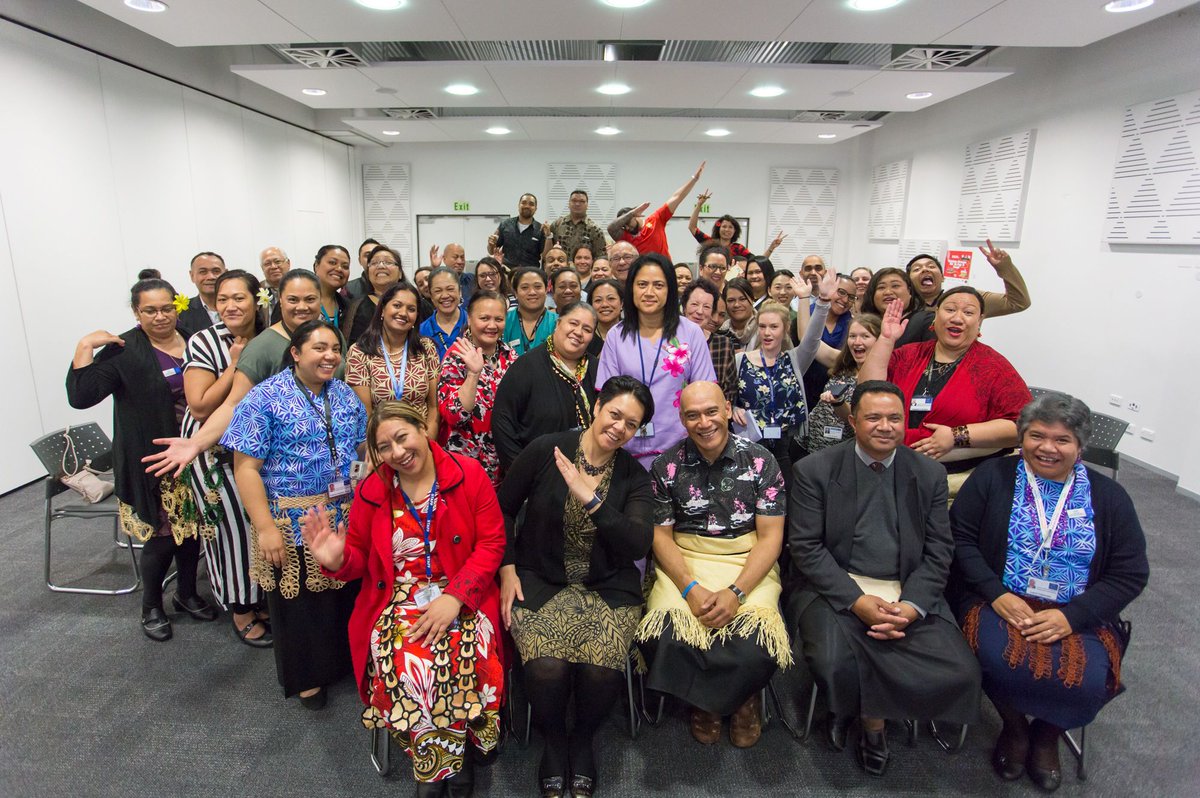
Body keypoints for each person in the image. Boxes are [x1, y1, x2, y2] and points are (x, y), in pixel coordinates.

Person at [303, 401, 505, 797]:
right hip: (397, 598)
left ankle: (456, 758)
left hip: (462, 590)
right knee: (409, 664)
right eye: (384, 447)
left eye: (402, 437)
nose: (397, 452)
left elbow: (492, 543)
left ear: (423, 429)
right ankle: (435, 769)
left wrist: (455, 597)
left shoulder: (468, 473)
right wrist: (337, 559)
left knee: (467, 653)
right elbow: (359, 559)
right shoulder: (373, 489)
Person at [951, 393, 1149, 792]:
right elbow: (959, 540)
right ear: (1022, 437)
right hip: (998, 599)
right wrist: (996, 593)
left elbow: (1130, 573)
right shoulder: (992, 477)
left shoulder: (1109, 498)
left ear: (1080, 446)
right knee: (997, 658)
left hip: (1077, 609)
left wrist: (1071, 617)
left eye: (1062, 440)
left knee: (1088, 678)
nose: (1047, 448)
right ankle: (1015, 729)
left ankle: (1046, 734)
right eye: (1037, 436)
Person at [787, 380, 982, 776]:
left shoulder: (928, 473)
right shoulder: (815, 470)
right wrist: (857, 601)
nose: (885, 426)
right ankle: (871, 726)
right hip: (836, 584)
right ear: (853, 422)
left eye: (894, 418)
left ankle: (861, 711)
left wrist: (911, 606)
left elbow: (939, 550)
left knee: (962, 670)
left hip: (906, 586)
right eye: (873, 417)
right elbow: (806, 548)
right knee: (833, 660)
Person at [498, 377, 655, 798]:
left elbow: (637, 543)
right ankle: (554, 741)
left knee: (600, 670)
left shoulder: (634, 476)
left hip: (608, 585)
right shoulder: (546, 450)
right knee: (546, 668)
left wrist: (591, 499)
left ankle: (583, 738)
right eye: (615, 414)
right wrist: (507, 568)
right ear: (597, 406)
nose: (620, 428)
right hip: (539, 577)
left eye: (632, 424)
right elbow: (502, 509)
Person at [638, 381, 790, 748]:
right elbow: (660, 537)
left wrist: (737, 592)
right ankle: (704, 702)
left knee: (756, 641)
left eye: (711, 412)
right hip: (685, 561)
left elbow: (771, 538)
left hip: (747, 560)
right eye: (693, 415)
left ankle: (744, 700)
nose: (704, 423)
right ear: (682, 419)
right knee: (663, 635)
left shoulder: (761, 461)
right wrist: (689, 588)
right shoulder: (665, 465)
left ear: (726, 410)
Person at [223, 320, 366, 708]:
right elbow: (245, 469)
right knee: (301, 607)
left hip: (344, 512)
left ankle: (344, 665)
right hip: (290, 520)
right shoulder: (264, 398)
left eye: (335, 349)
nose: (330, 356)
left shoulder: (344, 394)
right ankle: (308, 680)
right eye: (319, 348)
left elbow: (360, 448)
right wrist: (265, 527)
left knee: (344, 599)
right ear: (296, 353)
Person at [68, 275, 215, 642]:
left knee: (191, 532)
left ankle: (186, 594)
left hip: (197, 455)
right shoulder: (124, 349)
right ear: (137, 312)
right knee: (163, 537)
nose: (159, 316)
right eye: (149, 310)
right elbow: (82, 396)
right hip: (155, 462)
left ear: (177, 307)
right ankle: (151, 605)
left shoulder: (194, 339)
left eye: (166, 308)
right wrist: (85, 345)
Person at [140, 269, 349, 483]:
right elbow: (235, 403)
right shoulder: (262, 347)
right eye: (293, 300)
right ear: (281, 301)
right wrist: (196, 442)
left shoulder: (332, 337)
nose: (302, 307)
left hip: (329, 456)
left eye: (310, 299)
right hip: (287, 466)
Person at [860, 288, 1032, 501]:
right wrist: (886, 339)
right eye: (950, 309)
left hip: (957, 484)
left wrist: (956, 435)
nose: (957, 318)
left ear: (979, 321)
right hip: (892, 472)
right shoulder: (908, 354)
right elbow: (867, 393)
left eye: (968, 313)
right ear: (936, 315)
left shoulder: (993, 367)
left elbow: (1022, 426)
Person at [181, 269, 271, 647]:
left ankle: (260, 598)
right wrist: (237, 365)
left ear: (258, 300)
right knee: (233, 531)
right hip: (212, 449)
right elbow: (200, 406)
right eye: (223, 299)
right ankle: (241, 609)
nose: (230, 306)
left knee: (260, 526)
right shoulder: (205, 341)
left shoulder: (270, 335)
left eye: (239, 298)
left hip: (260, 447)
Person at [596, 253, 717, 470]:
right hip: (625, 447)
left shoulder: (691, 333)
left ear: (670, 290)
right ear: (631, 289)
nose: (649, 292)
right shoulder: (616, 335)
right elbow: (607, 396)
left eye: (658, 285)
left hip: (680, 449)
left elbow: (705, 392)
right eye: (642, 284)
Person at [732, 270, 838, 487]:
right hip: (749, 448)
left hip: (783, 447)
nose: (767, 333)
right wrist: (733, 408)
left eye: (774, 327)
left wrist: (823, 302)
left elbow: (812, 339)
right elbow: (726, 397)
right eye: (762, 326)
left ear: (785, 328)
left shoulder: (794, 360)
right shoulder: (740, 360)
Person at [493, 301, 598, 472]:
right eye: (573, 323)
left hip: (586, 472)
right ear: (558, 323)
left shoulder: (597, 369)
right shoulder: (526, 366)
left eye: (587, 329)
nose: (578, 332)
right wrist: (520, 472)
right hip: (536, 472)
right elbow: (502, 422)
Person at [438, 291, 517, 485]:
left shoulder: (511, 356)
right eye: (484, 318)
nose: (492, 325)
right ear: (469, 318)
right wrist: (473, 374)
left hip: (503, 462)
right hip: (466, 464)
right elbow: (454, 416)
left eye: (499, 319)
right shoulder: (456, 356)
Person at [346, 282, 440, 433]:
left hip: (422, 435)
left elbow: (434, 408)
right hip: (382, 438)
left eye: (411, 309)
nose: (403, 313)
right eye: (397, 305)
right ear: (383, 309)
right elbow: (365, 415)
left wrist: (427, 442)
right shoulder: (360, 352)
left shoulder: (426, 348)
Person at [803, 314, 881, 456]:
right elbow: (810, 340)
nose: (857, 342)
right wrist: (814, 303)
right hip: (807, 444)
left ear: (879, 341)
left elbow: (858, 418)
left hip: (841, 452)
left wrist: (838, 403)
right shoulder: (843, 363)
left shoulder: (882, 377)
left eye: (865, 336)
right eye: (852, 336)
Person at [608, 161, 707, 262]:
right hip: (642, 271)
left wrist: (694, 179)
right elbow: (611, 228)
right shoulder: (625, 236)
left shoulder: (656, 220)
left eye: (628, 223)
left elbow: (676, 197)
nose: (628, 228)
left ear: (636, 216)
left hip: (664, 269)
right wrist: (631, 213)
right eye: (624, 226)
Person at [907, 240, 1031, 318]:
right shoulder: (902, 306)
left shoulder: (971, 299)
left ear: (943, 277)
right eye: (917, 269)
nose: (925, 270)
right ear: (908, 281)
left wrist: (1005, 269)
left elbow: (1019, 303)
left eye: (931, 266)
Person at [800, 272, 858, 411]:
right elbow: (806, 341)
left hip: (836, 395)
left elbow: (847, 361)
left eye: (851, 297)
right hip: (805, 387)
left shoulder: (853, 325)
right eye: (841, 292)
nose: (845, 300)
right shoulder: (806, 315)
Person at [682, 279, 736, 404]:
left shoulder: (724, 345)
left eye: (706, 307)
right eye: (694, 304)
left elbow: (729, 392)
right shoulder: (669, 342)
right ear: (684, 307)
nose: (700, 311)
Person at [860, 267, 936, 347]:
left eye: (895, 286)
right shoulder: (863, 325)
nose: (888, 292)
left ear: (909, 291)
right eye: (881, 287)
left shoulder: (927, 320)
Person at [342, 244, 401, 344]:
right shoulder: (354, 307)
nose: (381, 266)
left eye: (388, 262)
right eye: (374, 263)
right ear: (368, 273)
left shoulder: (415, 303)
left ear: (400, 273)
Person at [547, 189, 609, 266]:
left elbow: (601, 257)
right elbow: (548, 253)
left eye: (582, 201)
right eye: (574, 201)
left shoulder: (595, 229)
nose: (577, 204)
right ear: (569, 204)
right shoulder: (557, 225)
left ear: (587, 205)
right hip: (561, 270)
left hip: (584, 270)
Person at [504, 267, 557, 356]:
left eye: (538, 287)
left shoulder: (558, 322)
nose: (532, 292)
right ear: (515, 292)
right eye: (525, 287)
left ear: (546, 290)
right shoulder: (504, 321)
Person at [419, 267, 466, 360]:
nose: (445, 296)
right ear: (431, 296)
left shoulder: (474, 324)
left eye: (450, 289)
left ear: (460, 291)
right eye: (438, 291)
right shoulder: (422, 331)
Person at [489, 193, 544, 269]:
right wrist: (491, 244)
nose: (527, 206)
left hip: (530, 273)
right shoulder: (505, 225)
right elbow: (492, 251)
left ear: (535, 209)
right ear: (518, 205)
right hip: (507, 271)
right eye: (524, 203)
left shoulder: (540, 229)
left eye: (531, 204)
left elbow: (545, 255)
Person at [178, 251, 226, 335]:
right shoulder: (181, 313)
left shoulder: (239, 306)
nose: (210, 277)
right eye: (203, 272)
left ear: (226, 273)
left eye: (216, 271)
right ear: (192, 276)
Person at [313, 244, 351, 331]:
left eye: (345, 266)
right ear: (316, 265)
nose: (339, 269)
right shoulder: (299, 302)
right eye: (332, 262)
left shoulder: (349, 307)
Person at [720, 277, 758, 352]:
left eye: (742, 299)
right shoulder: (721, 331)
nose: (737, 305)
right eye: (731, 300)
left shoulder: (764, 328)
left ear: (752, 299)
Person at [586, 278, 623, 356]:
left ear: (622, 303)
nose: (604, 305)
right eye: (598, 300)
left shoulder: (634, 333)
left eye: (611, 299)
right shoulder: (584, 336)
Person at [345, 237, 382, 302]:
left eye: (376, 254)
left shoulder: (396, 285)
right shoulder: (349, 289)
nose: (372, 258)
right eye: (368, 255)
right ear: (360, 261)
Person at [259, 246, 289, 324]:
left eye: (277, 261)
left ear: (288, 263)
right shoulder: (256, 289)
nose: (273, 267)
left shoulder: (299, 287)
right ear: (262, 268)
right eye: (267, 264)